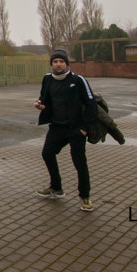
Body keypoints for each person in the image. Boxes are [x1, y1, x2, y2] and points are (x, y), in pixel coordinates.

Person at [33, 48, 99, 211]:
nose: (58, 64)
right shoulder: (47, 79)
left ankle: (85, 197)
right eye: (55, 61)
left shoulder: (78, 80)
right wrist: (40, 104)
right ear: (51, 64)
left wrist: (84, 129)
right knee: (47, 153)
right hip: (56, 127)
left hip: (75, 129)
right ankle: (56, 187)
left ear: (67, 63)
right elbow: (44, 97)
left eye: (61, 61)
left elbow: (92, 104)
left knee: (79, 163)